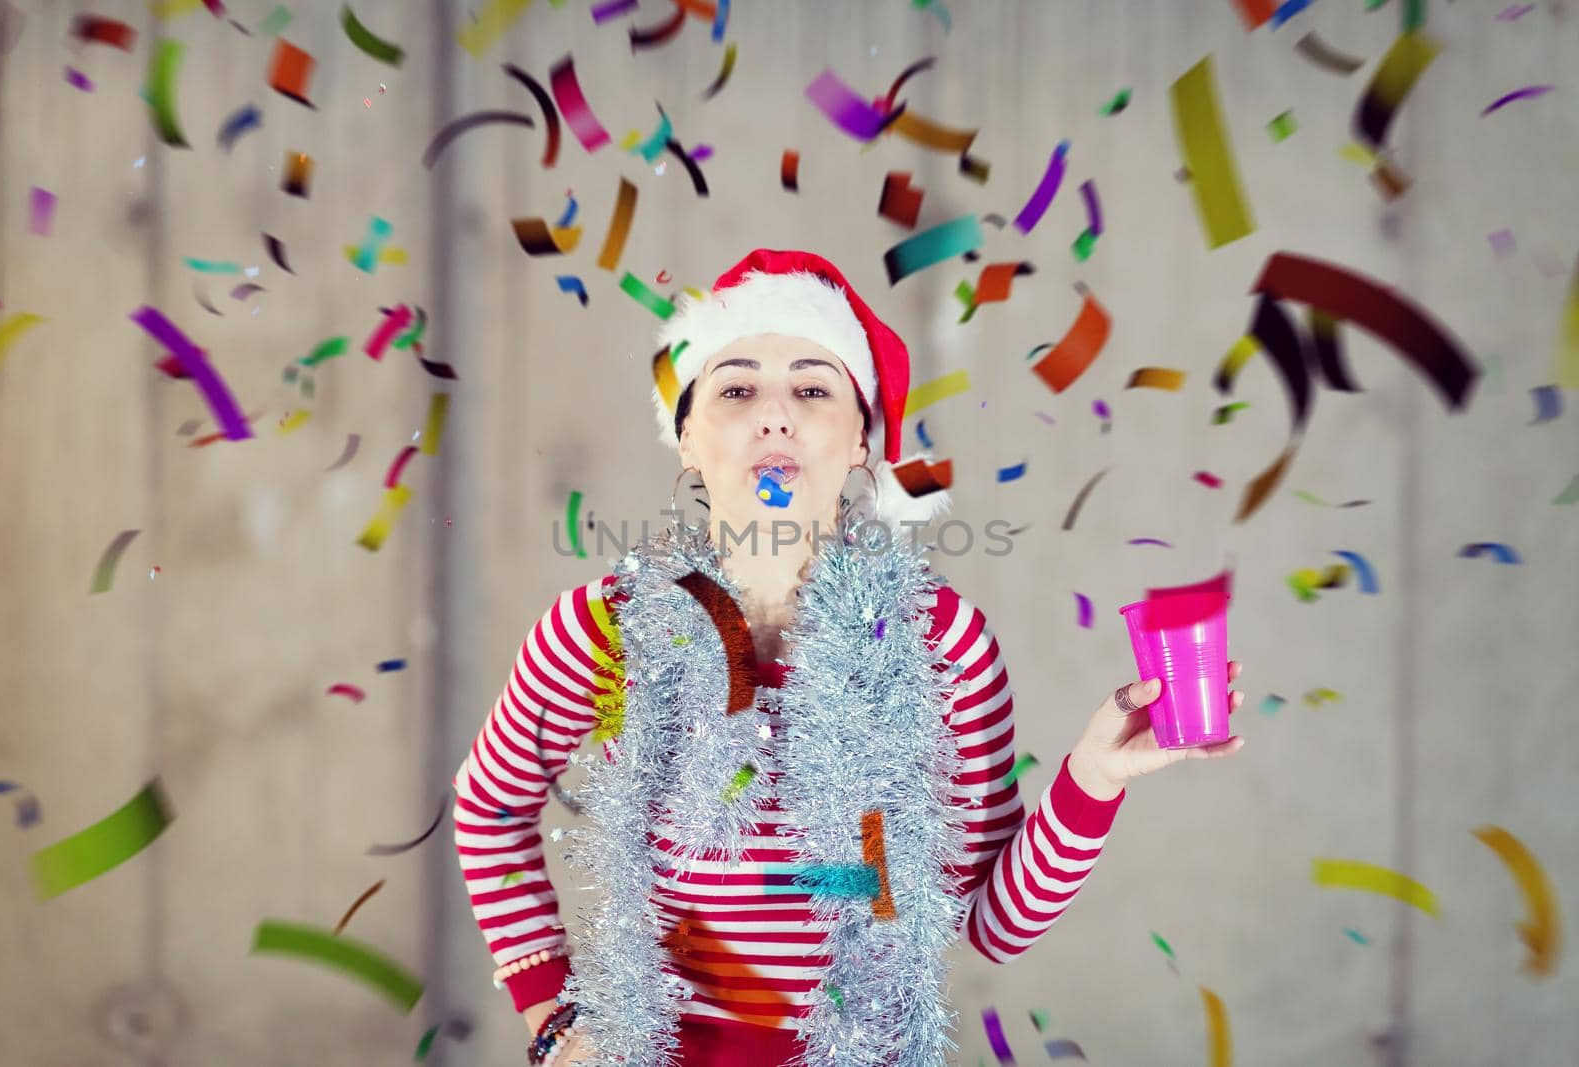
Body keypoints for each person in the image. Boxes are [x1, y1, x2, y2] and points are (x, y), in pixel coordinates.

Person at [452, 250, 1247, 1066]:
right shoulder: (605, 629)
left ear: (861, 438)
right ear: (686, 437)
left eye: (811, 388)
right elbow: (487, 806)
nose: (774, 416)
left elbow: (990, 923)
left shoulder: (941, 643)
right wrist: (552, 1020)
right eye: (735, 388)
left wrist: (1093, 779)